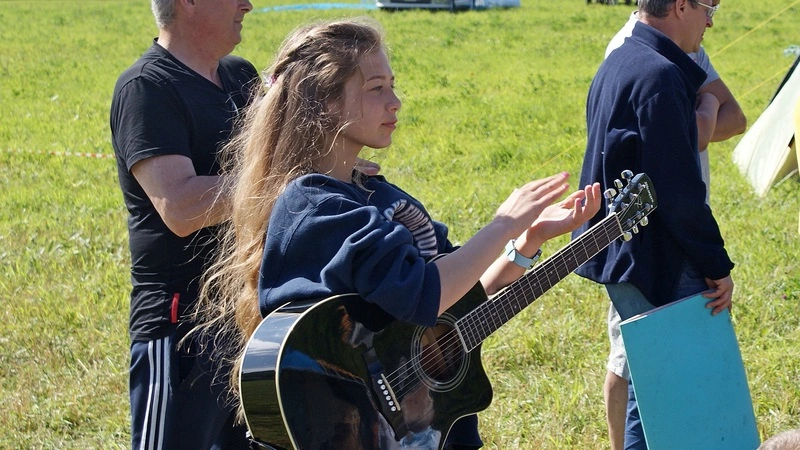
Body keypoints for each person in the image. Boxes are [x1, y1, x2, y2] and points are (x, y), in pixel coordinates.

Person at [193, 17, 602, 450]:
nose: (396, 102)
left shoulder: (375, 192)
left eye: (392, 85)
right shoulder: (313, 205)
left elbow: (456, 294)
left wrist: (528, 241)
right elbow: (425, 294)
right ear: (326, 103)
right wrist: (503, 223)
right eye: (376, 89)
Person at [572, 1, 736, 449]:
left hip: (623, 255)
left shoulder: (621, 61)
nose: (710, 21)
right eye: (708, 8)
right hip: (658, 258)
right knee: (671, 398)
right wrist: (716, 264)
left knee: (649, 390)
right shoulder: (658, 75)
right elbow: (679, 193)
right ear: (681, 5)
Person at [109, 0, 260, 448]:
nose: (248, 4)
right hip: (181, 323)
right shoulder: (146, 88)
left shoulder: (240, 75)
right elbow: (179, 207)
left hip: (248, 308)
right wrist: (280, 181)